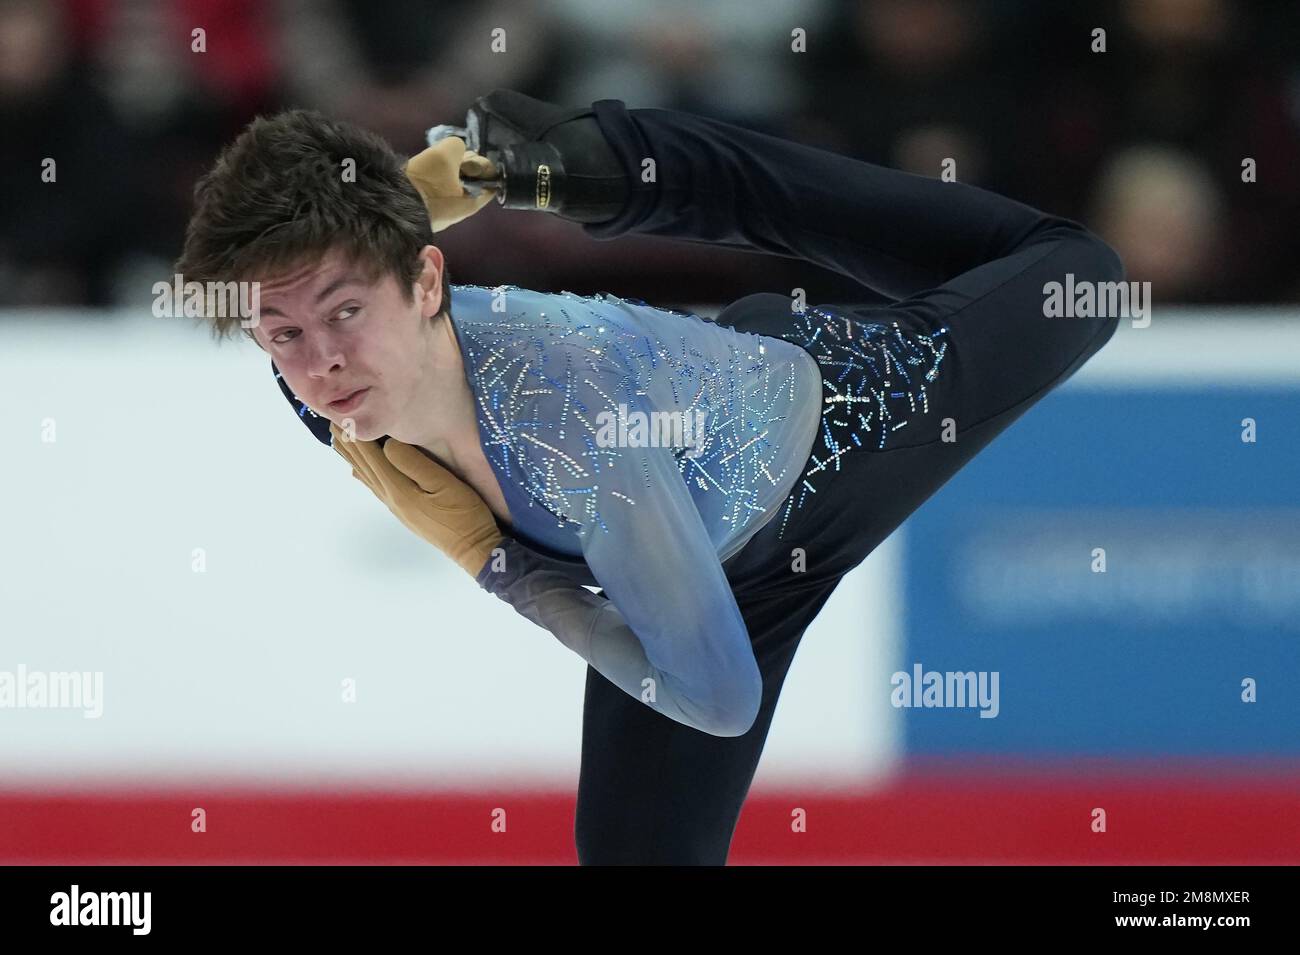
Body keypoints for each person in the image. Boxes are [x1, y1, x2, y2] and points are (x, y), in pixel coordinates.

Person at [176, 89, 1124, 864]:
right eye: (282, 334)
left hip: (836, 432)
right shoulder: (314, 378)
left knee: (1080, 274)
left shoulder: (576, 435)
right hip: (679, 510)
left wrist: (516, 577)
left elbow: (718, 695)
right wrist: (378, 218)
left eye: (343, 313)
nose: (320, 364)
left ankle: (596, 156)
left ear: (428, 282)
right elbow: (327, 297)